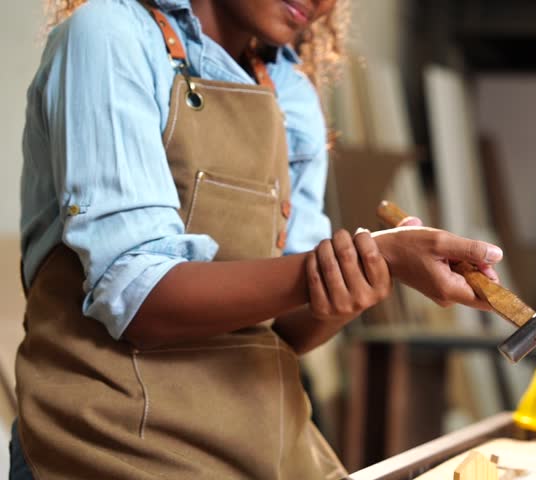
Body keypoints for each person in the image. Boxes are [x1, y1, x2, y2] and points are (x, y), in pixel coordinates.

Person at [9, 0, 503, 478]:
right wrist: (340, 266)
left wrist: (364, 273)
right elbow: (140, 300)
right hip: (115, 443)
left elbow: (288, 331)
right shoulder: (110, 35)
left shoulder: (289, 92)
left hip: (261, 442)